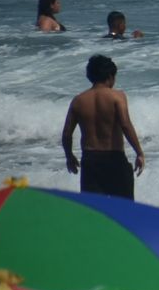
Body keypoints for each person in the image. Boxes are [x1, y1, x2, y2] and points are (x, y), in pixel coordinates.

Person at [61, 54, 146, 199]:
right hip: (114, 159)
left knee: (94, 211)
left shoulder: (78, 101)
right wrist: (139, 152)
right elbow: (125, 125)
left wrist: (69, 157)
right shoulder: (117, 96)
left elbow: (67, 134)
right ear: (110, 76)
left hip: (90, 161)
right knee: (123, 209)